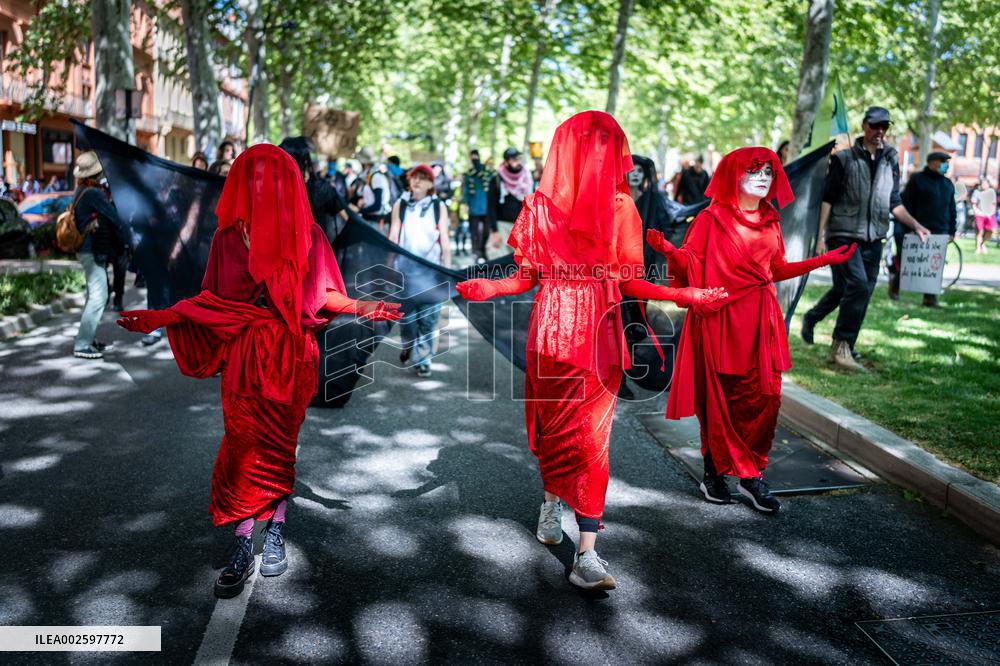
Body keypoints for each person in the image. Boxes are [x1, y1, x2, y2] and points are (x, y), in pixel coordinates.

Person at [457, 111, 727, 590]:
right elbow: (526, 276)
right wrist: (490, 287)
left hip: (600, 333)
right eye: (592, 144)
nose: (601, 154)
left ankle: (587, 553)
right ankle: (549, 501)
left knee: (594, 440)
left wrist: (686, 296)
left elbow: (630, 279)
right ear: (571, 150)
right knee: (554, 430)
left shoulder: (623, 206)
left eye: (608, 145)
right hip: (552, 333)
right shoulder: (540, 206)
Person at [116, 145, 401, 598]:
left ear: (288, 183)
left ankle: (275, 533)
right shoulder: (231, 238)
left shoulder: (308, 235)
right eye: (254, 177)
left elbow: (324, 296)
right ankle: (243, 541)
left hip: (291, 356)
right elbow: (213, 301)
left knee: (278, 450)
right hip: (247, 357)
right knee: (241, 447)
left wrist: (366, 306)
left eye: (272, 178)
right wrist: (162, 316)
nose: (263, 186)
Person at [648, 146, 855, 513]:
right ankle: (714, 475)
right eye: (754, 171)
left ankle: (750, 475)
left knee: (765, 399)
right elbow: (690, 264)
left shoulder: (771, 219)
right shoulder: (711, 219)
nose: (763, 178)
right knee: (721, 399)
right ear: (735, 177)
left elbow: (775, 270)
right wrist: (668, 250)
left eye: (769, 172)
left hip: (761, 319)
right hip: (721, 319)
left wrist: (823, 260)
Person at [801, 107, 930, 371]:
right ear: (864, 126)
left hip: (875, 237)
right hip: (844, 234)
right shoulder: (844, 158)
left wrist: (916, 225)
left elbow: (894, 201)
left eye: (884, 127)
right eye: (875, 126)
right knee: (858, 286)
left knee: (857, 292)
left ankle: (836, 336)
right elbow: (828, 198)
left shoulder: (891, 159)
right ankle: (841, 346)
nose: (879, 132)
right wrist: (821, 237)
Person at [388, 164, 452, 377]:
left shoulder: (438, 206)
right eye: (415, 177)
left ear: (431, 184)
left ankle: (423, 359)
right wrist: (388, 266)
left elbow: (444, 237)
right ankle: (409, 344)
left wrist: (447, 269)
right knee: (407, 320)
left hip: (431, 273)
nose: (417, 181)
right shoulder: (401, 204)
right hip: (405, 272)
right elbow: (393, 235)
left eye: (423, 178)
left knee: (428, 319)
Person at [71, 151, 133, 359]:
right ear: (96, 174)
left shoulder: (80, 190)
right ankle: (82, 344)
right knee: (100, 296)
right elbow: (114, 216)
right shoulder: (93, 194)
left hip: (86, 250)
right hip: (91, 250)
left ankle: (88, 338)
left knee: (94, 295)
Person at [895, 152, 956, 306]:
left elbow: (951, 208)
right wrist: (910, 226)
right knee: (908, 261)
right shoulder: (917, 180)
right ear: (931, 162)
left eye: (946, 161)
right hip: (918, 229)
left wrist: (952, 230)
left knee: (934, 266)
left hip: (940, 230)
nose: (945, 164)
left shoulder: (948, 184)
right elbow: (907, 203)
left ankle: (930, 298)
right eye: (942, 161)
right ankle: (895, 287)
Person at [279, 136, 352, 243]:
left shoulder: (276, 190)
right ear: (306, 162)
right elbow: (347, 220)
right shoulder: (323, 188)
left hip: (295, 251)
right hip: (313, 251)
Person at [486, 147, 531, 258]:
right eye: (514, 160)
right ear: (506, 162)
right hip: (502, 227)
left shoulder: (527, 178)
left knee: (521, 264)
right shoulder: (496, 179)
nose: (518, 162)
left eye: (518, 158)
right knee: (499, 262)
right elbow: (491, 207)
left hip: (521, 228)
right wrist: (494, 231)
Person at [351, 146, 393, 230]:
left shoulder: (376, 177)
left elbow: (377, 205)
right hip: (372, 221)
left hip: (377, 222)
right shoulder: (371, 176)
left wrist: (358, 210)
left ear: (365, 164)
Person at [462, 149, 493, 262]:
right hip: (474, 206)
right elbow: (465, 189)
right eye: (472, 156)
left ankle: (483, 250)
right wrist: (465, 203)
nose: (474, 158)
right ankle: (476, 252)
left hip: (486, 206)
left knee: (486, 231)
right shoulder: (468, 174)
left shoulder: (487, 172)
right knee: (474, 231)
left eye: (476, 156)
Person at [972, 180, 997, 255]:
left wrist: (992, 212)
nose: (984, 185)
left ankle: (982, 243)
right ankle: (978, 249)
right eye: (983, 184)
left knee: (992, 230)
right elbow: (974, 203)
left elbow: (994, 204)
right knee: (980, 231)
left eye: (985, 184)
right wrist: (976, 212)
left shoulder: (992, 192)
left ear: (988, 185)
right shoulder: (977, 192)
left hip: (990, 214)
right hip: (980, 214)